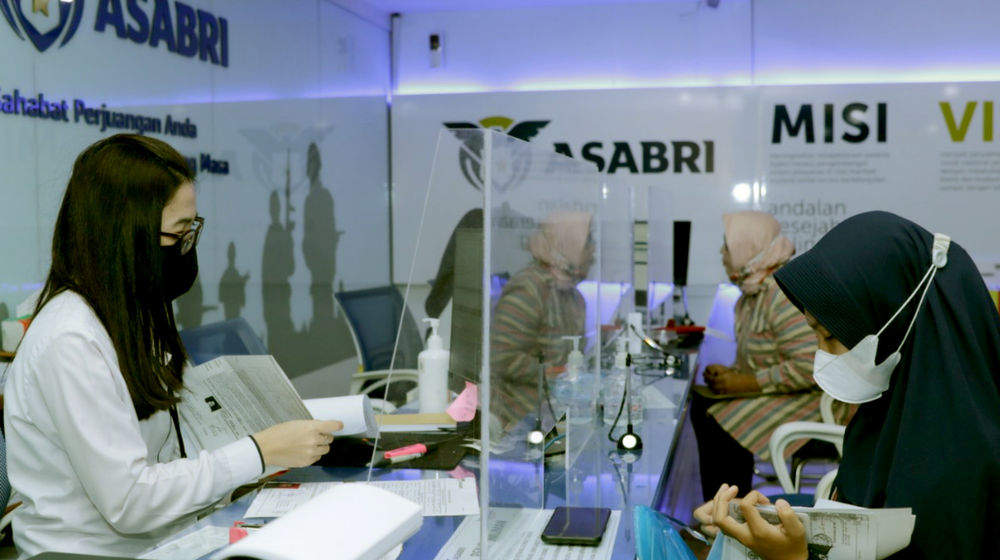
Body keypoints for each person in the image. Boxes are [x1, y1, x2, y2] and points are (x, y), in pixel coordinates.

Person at [3, 134, 343, 557]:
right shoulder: (70, 340)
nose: (186, 247)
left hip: (167, 540)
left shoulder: (130, 317)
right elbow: (130, 502)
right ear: (124, 234)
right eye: (179, 232)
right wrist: (258, 452)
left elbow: (169, 454)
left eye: (192, 229)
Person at [694, 211, 1000, 559]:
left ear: (892, 324)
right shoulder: (887, 412)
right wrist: (767, 526)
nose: (821, 356)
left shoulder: (959, 465)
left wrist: (793, 557)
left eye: (830, 336)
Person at [691, 211, 830, 501]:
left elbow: (812, 367)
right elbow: (763, 360)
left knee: (720, 423)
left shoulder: (782, 293)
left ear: (749, 248)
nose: (721, 253)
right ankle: (724, 510)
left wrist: (747, 382)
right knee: (703, 404)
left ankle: (730, 513)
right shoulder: (751, 294)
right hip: (785, 393)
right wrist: (730, 374)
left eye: (728, 246)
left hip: (813, 403)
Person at [490, 211, 594, 431]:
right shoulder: (529, 289)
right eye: (587, 244)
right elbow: (502, 357)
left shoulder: (572, 294)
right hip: (521, 420)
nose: (593, 251)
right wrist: (554, 373)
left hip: (555, 413)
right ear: (567, 245)